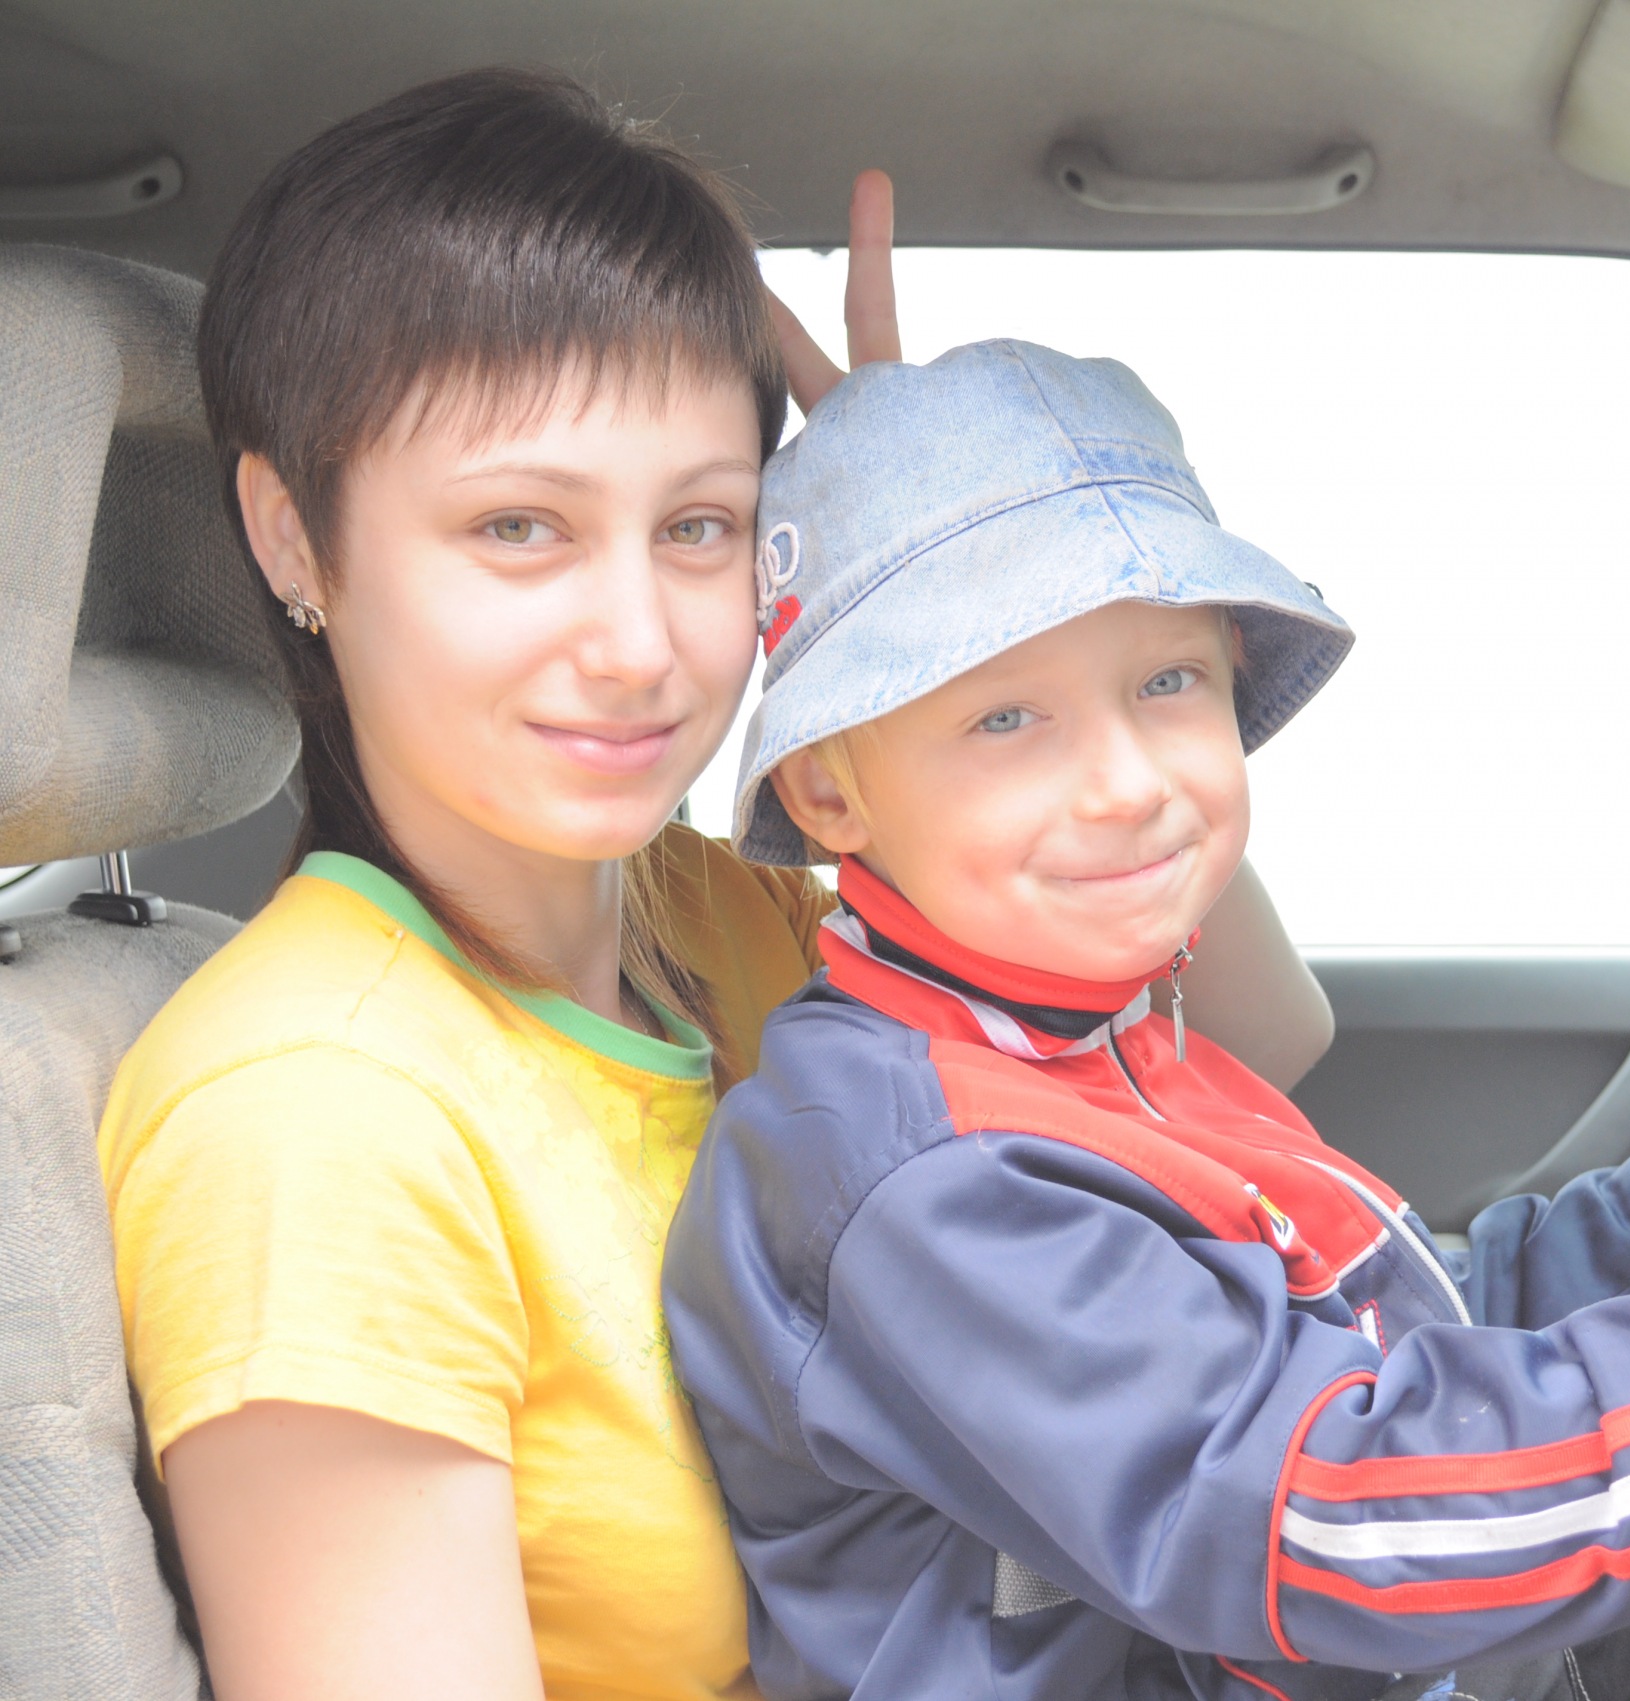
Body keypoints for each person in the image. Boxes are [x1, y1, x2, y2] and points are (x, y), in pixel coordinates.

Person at [95, 70, 1377, 1701]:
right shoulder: (311, 1112)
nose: (640, 644)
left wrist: (988, 584)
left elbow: (1243, 1059)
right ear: (293, 537)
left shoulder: (712, 917)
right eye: (518, 527)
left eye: (701, 527)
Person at [659, 341, 1630, 1701]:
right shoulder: (926, 1176)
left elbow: (1389, 1320)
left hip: (1378, 1640)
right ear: (829, 789)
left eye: (1169, 681)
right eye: (1007, 717)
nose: (1128, 781)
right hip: (1328, 1606)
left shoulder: (1089, 1037)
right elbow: (1329, 1506)